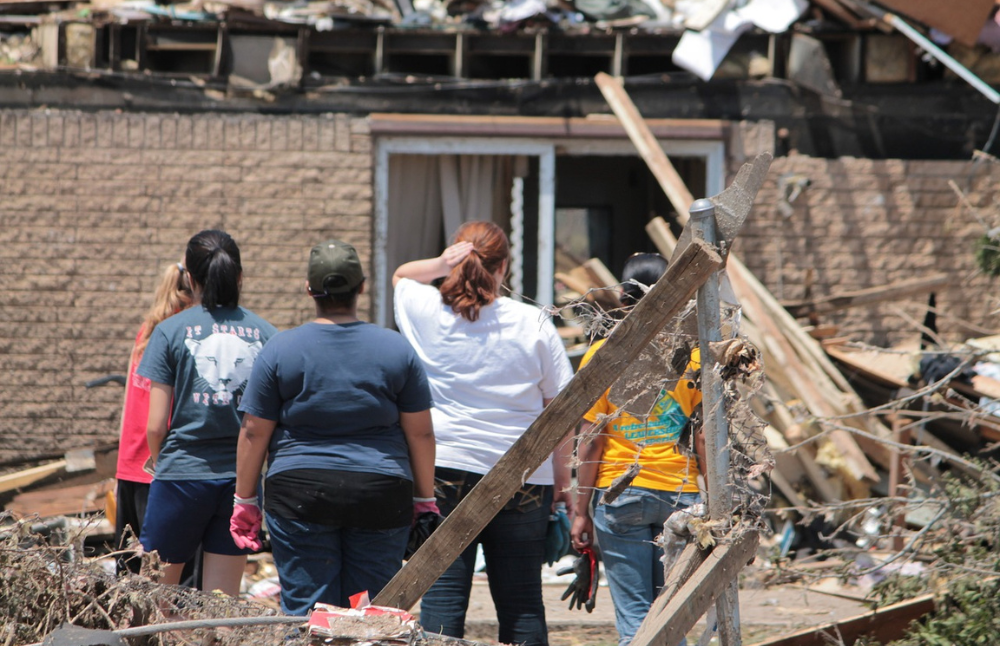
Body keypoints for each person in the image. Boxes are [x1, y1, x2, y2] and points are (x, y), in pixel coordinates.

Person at [231, 239, 437, 616]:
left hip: (299, 494)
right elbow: (420, 433)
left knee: (311, 613)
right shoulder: (397, 350)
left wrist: (245, 501)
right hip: (380, 492)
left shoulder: (280, 349)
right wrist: (424, 499)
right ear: (361, 287)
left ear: (309, 290)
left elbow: (253, 431)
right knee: (372, 613)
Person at [393, 221, 574, 646]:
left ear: (455, 260)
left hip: (443, 469)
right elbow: (562, 411)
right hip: (524, 476)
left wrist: (439, 263)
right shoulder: (532, 322)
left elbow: (402, 275)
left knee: (443, 598)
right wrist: (562, 480)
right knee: (522, 602)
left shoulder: (426, 311)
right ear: (504, 267)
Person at [570, 252, 706, 646]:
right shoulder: (693, 358)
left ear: (624, 299)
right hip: (681, 496)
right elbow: (701, 438)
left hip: (620, 494)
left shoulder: (603, 356)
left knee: (635, 618)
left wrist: (581, 513)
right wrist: (710, 496)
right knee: (671, 615)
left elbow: (592, 440)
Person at [137, 229, 277, 597]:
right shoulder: (267, 334)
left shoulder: (169, 332)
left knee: (157, 598)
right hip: (241, 484)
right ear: (240, 277)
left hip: (180, 475)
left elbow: (155, 425)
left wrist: (158, 460)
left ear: (190, 278)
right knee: (222, 603)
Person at [114, 261, 192, 575]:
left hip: (130, 462)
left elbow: (127, 405)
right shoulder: (182, 334)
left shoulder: (145, 332)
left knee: (129, 569)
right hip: (158, 463)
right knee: (165, 573)